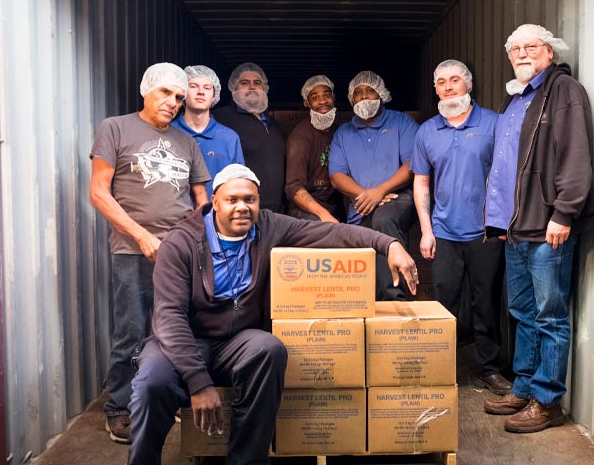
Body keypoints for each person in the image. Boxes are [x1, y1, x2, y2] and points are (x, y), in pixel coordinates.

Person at [127, 164, 418, 465]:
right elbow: (169, 318)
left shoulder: (269, 227)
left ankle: (247, 460)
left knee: (269, 349)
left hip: (236, 341)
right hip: (187, 338)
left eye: (250, 199)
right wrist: (199, 383)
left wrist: (389, 244)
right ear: (214, 202)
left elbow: (331, 232)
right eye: (232, 200)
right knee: (152, 383)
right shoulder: (182, 243)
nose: (242, 207)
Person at [482, 24, 594, 433]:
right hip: (517, 227)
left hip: (548, 224)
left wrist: (564, 212)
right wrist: (499, 220)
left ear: (549, 52)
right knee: (523, 312)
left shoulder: (564, 91)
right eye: (515, 49)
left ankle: (548, 402)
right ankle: (525, 387)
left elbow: (576, 155)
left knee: (549, 315)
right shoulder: (516, 98)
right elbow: (507, 164)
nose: (523, 54)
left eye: (531, 47)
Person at [89, 62, 211, 444]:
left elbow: (201, 198)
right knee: (131, 330)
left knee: (176, 328)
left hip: (178, 253)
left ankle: (166, 397)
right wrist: (142, 236)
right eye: (165, 93)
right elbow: (98, 192)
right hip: (131, 250)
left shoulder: (186, 142)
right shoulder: (115, 127)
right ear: (147, 91)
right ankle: (120, 409)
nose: (173, 102)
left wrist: (191, 239)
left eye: (178, 97)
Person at [411, 59, 510, 395]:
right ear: (436, 89)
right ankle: (442, 370)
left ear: (469, 84)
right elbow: (421, 182)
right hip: (443, 232)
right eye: (441, 82)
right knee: (445, 304)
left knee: (485, 302)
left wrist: (502, 221)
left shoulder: (492, 124)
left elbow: (506, 175)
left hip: (486, 232)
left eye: (455, 80)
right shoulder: (427, 131)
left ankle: (488, 368)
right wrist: (426, 229)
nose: (448, 87)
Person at [329, 70, 418, 301]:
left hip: (398, 198)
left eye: (370, 91)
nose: (364, 96)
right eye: (358, 93)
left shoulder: (402, 122)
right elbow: (337, 175)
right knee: (360, 234)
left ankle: (394, 298)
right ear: (351, 99)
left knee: (382, 219)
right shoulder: (343, 133)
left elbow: (411, 165)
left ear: (382, 94)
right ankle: (367, 303)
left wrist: (381, 191)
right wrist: (367, 195)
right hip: (361, 204)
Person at [213, 62, 286, 213]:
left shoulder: (274, 124)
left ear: (265, 88)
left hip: (277, 213)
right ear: (233, 87)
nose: (252, 87)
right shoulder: (220, 118)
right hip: (242, 211)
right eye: (244, 83)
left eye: (257, 83)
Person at [172, 65, 245, 199]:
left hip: (216, 217)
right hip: (176, 217)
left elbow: (238, 184)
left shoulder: (229, 138)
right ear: (183, 93)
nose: (201, 92)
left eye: (207, 87)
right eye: (193, 86)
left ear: (214, 96)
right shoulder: (168, 133)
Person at [284, 75, 344, 222]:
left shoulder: (339, 132)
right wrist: (323, 215)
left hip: (334, 205)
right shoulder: (301, 136)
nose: (322, 101)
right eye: (315, 97)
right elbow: (293, 187)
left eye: (326, 95)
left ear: (334, 97)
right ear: (307, 102)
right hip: (307, 210)